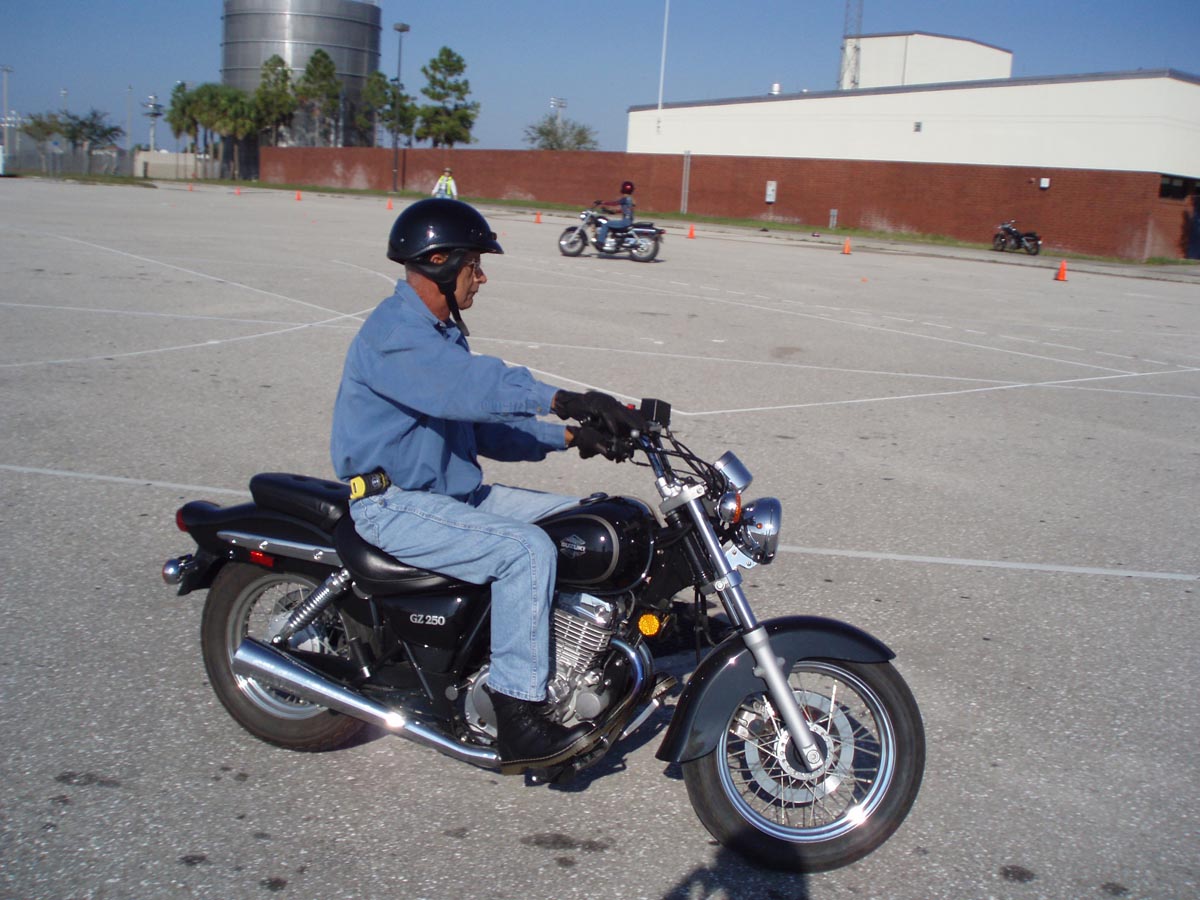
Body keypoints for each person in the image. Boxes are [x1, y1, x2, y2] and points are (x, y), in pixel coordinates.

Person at [330, 198, 645, 769]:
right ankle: (517, 715)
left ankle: (585, 654)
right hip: (394, 504)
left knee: (586, 523)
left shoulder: (440, 336)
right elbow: (475, 386)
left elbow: (481, 429)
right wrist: (561, 398)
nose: (481, 277)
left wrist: (574, 437)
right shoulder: (397, 335)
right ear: (441, 263)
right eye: (475, 264)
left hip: (454, 497)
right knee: (526, 550)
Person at [595, 180, 636, 250]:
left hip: (625, 222)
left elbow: (615, 203)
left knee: (606, 224)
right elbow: (624, 210)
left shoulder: (625, 199)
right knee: (610, 224)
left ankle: (600, 242)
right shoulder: (630, 199)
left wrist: (602, 202)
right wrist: (611, 211)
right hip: (628, 221)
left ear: (623, 189)